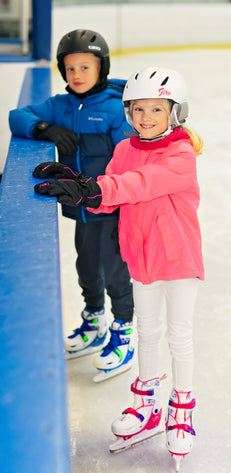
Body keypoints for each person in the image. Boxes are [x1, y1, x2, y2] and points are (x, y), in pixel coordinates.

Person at [32, 66, 204, 471]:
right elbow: (110, 194)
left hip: (176, 257)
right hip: (140, 254)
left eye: (156, 110)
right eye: (138, 109)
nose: (145, 118)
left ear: (174, 113)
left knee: (179, 336)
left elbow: (141, 183)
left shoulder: (179, 154)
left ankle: (182, 406)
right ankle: (147, 406)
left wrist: (96, 187)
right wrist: (76, 183)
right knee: (147, 332)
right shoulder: (126, 148)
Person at [9, 29, 134, 382]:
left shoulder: (113, 110)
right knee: (86, 266)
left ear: (102, 68)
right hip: (81, 209)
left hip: (110, 208)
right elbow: (17, 116)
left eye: (85, 67)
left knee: (115, 272)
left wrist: (107, 190)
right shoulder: (60, 105)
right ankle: (94, 319)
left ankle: (123, 331)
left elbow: (128, 160)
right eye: (70, 68)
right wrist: (45, 129)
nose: (77, 75)